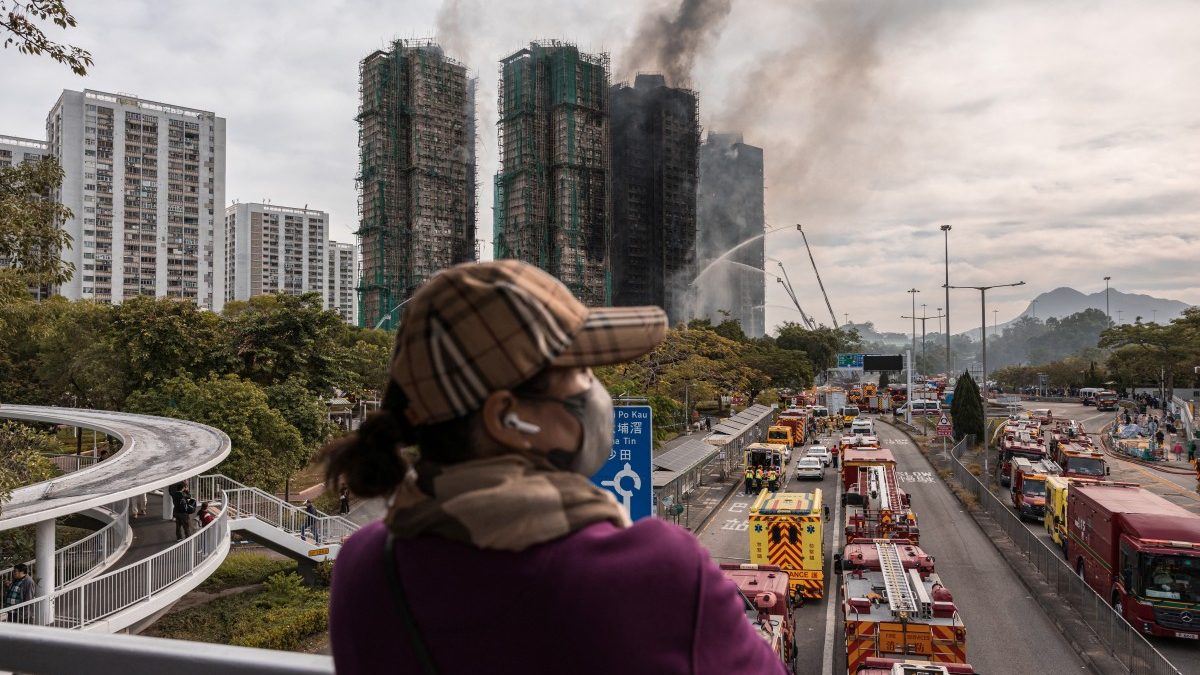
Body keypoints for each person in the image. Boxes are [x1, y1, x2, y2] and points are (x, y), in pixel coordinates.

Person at [321, 260, 786, 675]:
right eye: (581, 374)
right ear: (509, 418)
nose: (596, 392)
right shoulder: (654, 572)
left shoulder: (365, 565)